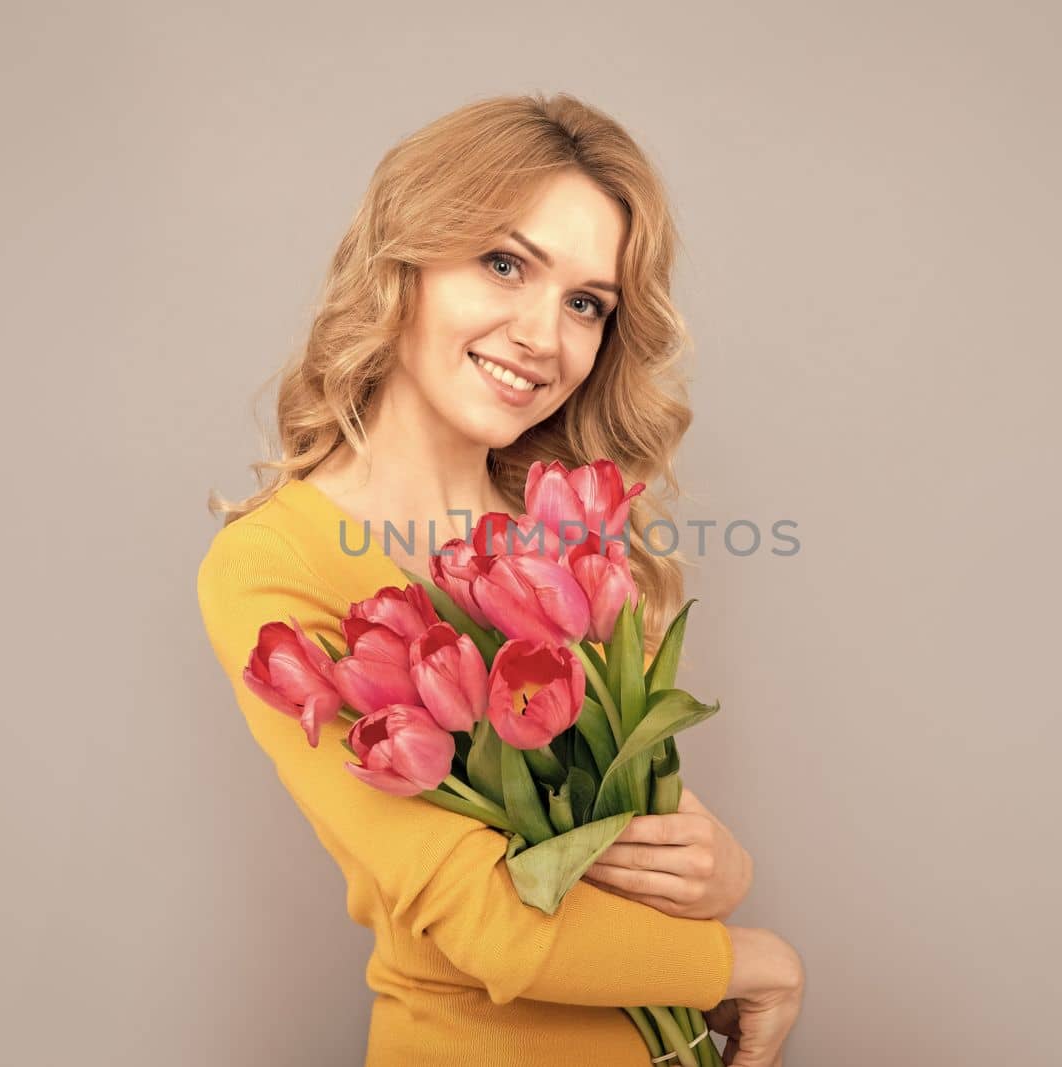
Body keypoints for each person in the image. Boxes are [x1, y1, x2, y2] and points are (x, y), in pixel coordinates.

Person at [197, 92, 805, 1066]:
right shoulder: (276, 563)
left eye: (584, 303)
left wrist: (723, 870)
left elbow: (627, 845)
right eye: (504, 262)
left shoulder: (565, 535)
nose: (540, 334)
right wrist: (755, 961)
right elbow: (489, 922)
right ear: (406, 259)